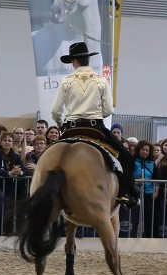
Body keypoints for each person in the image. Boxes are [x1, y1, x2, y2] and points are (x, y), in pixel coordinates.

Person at [50, 41, 139, 207]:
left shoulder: (66, 81)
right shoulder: (101, 80)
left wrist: (61, 124)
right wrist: (96, 114)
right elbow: (109, 110)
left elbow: (55, 111)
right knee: (127, 159)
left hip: (71, 128)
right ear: (87, 60)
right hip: (95, 128)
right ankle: (122, 195)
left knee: (49, 157)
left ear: (74, 61)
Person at [0, 130, 26, 236]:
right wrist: (9, 173)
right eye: (5, 140)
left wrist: (20, 172)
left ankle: (5, 228)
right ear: (1, 141)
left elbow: (23, 168)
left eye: (10, 140)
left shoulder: (14, 155)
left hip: (9, 186)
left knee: (8, 205)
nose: (7, 142)